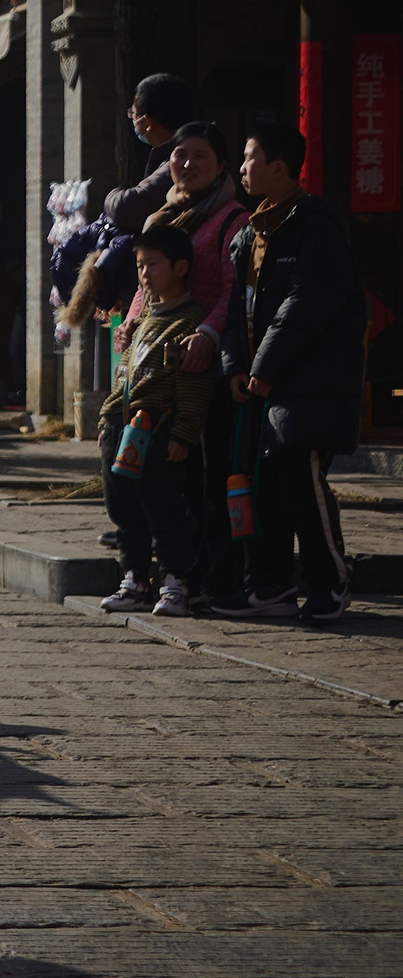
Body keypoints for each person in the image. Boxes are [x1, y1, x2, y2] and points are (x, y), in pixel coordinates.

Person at [216, 123, 365, 623]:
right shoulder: (249, 233)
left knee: (303, 481)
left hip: (309, 382)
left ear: (279, 168)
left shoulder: (315, 227)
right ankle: (272, 586)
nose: (241, 168)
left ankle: (331, 581)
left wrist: (264, 366)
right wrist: (236, 365)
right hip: (264, 382)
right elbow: (238, 308)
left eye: (249, 158)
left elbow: (308, 305)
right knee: (266, 487)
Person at [135, 121, 251, 608]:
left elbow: (234, 291)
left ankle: (220, 577)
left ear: (222, 166)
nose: (187, 164)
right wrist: (134, 323)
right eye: (180, 154)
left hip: (212, 362)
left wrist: (207, 332)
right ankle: (175, 573)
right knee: (165, 473)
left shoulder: (233, 220)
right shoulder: (164, 216)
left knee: (212, 472)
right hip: (163, 365)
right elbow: (147, 279)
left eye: (201, 156)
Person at [97, 224, 212, 617]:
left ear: (181, 267)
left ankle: (175, 583)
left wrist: (183, 433)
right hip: (122, 433)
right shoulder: (143, 319)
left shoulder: (189, 323)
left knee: (163, 510)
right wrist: (105, 423)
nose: (144, 274)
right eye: (140, 266)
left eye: (153, 264)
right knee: (123, 509)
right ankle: (133, 579)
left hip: (159, 433)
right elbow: (123, 376)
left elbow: (192, 389)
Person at [103, 72, 196, 236]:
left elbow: (126, 207)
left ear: (147, 122)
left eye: (133, 114)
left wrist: (112, 195)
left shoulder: (176, 165)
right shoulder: (171, 157)